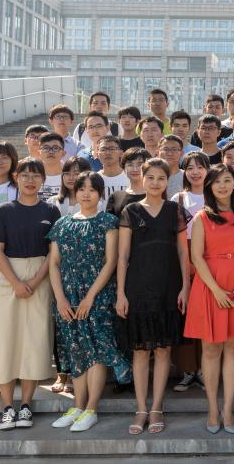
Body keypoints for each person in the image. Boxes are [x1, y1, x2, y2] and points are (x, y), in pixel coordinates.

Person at [184, 165, 234, 434]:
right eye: (217, 181)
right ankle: (212, 409)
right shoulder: (202, 217)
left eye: (227, 180)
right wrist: (216, 290)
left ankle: (228, 409)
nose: (222, 186)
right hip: (210, 286)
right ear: (209, 185)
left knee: (233, 348)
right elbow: (196, 257)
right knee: (210, 349)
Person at [47, 172, 130, 433]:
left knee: (96, 350)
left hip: (98, 295)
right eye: (81, 188)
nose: (85, 193)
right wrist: (60, 298)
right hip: (68, 296)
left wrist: (90, 297)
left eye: (92, 189)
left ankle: (91, 408)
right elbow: (54, 263)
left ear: (100, 194)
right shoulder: (62, 223)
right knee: (75, 349)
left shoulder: (108, 222)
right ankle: (77, 406)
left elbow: (111, 262)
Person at [115, 158, 190, 435]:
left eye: (161, 178)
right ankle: (140, 409)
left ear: (167, 181)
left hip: (169, 286)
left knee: (163, 350)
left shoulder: (174, 210)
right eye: (151, 177)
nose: (156, 182)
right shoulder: (131, 211)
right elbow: (122, 256)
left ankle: (157, 407)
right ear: (142, 178)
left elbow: (182, 251)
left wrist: (186, 287)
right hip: (137, 288)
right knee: (140, 351)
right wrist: (121, 293)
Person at [0, 158, 61, 431]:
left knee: (34, 339)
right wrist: (16, 282)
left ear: (43, 179)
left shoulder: (51, 210)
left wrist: (35, 279)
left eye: (35, 175)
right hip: (7, 276)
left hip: (41, 275)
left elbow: (53, 250)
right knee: (4, 340)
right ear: (16, 178)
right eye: (25, 175)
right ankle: (8, 407)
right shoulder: (3, 211)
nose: (30, 180)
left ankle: (27, 404)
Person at [171, 151, 211, 393]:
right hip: (184, 263)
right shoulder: (178, 198)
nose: (195, 172)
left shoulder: (215, 195)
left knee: (207, 318)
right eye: (190, 167)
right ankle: (187, 370)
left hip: (211, 262)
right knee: (185, 316)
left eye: (200, 167)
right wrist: (187, 263)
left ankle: (206, 369)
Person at [108, 148, 150, 217]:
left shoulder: (155, 194)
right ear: (124, 168)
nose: (135, 169)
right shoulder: (116, 196)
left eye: (140, 164)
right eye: (130, 164)